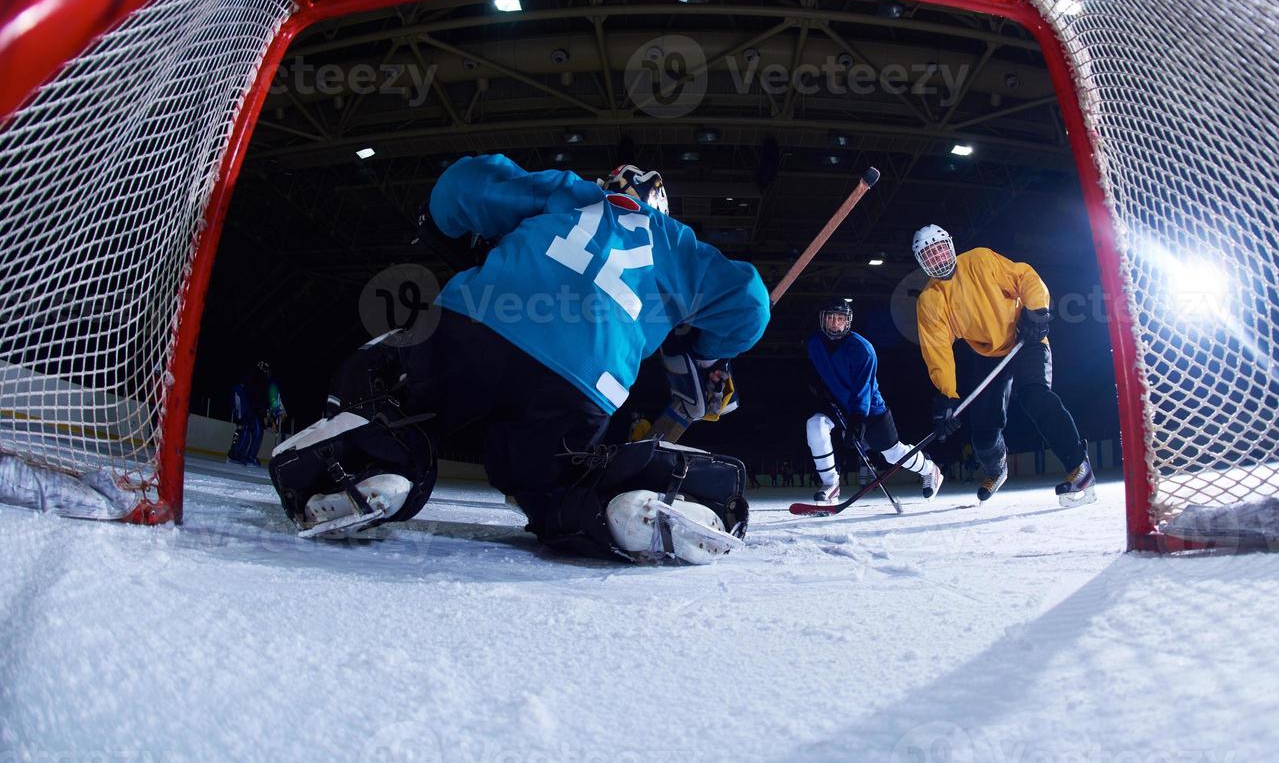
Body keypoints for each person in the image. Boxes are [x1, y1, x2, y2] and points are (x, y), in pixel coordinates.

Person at [270, 156, 770, 564]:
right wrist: (704, 353)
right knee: (552, 479)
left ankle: (375, 464)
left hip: (479, 323)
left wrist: (449, 229)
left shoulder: (571, 192)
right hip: (584, 380)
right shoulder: (679, 245)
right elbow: (751, 302)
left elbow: (463, 183)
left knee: (389, 376)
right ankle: (617, 504)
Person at [912, 224, 1095, 506]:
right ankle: (997, 469)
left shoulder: (980, 260)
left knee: (1035, 396)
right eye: (929, 256)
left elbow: (1025, 276)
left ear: (950, 245)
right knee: (984, 431)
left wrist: (1036, 310)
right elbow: (938, 350)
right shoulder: (930, 300)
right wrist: (947, 394)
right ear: (922, 264)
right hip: (988, 355)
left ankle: (1078, 466)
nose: (937, 258)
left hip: (1026, 338)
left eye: (939, 249)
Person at [803, 299, 942, 505]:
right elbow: (816, 368)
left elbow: (863, 388)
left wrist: (857, 419)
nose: (834, 323)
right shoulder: (814, 343)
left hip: (869, 409)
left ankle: (931, 470)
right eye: (830, 318)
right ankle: (830, 484)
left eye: (840, 319)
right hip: (840, 403)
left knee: (893, 454)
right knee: (815, 425)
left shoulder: (862, 349)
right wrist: (817, 383)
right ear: (822, 320)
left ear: (847, 322)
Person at [228, 361, 283, 466]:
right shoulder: (253, 378)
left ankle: (250, 456)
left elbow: (264, 399)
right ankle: (236, 454)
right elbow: (252, 395)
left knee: (257, 432)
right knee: (245, 430)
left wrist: (267, 412)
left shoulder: (265, 382)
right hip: (248, 408)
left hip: (255, 410)